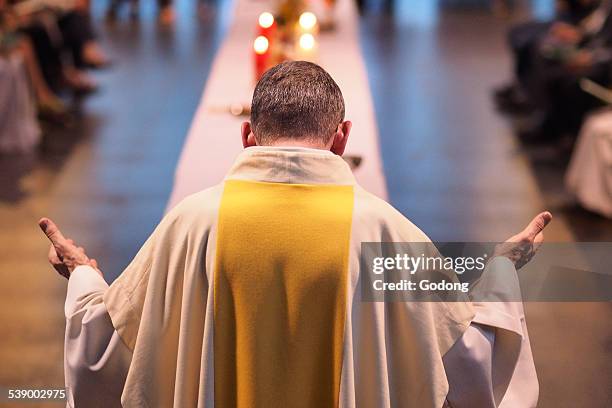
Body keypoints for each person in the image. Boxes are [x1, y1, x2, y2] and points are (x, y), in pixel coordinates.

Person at [39, 61, 551, 407]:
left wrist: (84, 276)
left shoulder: (190, 224)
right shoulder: (385, 231)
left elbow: (107, 350)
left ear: (246, 134)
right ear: (343, 136)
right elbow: (466, 357)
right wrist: (501, 270)